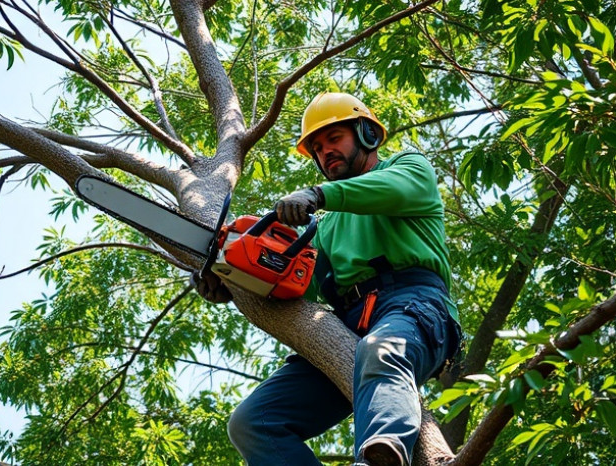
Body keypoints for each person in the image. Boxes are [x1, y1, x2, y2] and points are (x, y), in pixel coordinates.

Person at [193, 92, 461, 466]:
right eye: (317, 148)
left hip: (413, 305)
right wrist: (231, 280)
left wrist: (318, 195)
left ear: (367, 133)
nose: (325, 153)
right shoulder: (326, 226)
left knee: (381, 350)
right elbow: (294, 280)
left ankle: (381, 456)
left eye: (334, 139)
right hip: (349, 325)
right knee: (252, 422)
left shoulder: (407, 168)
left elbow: (388, 190)